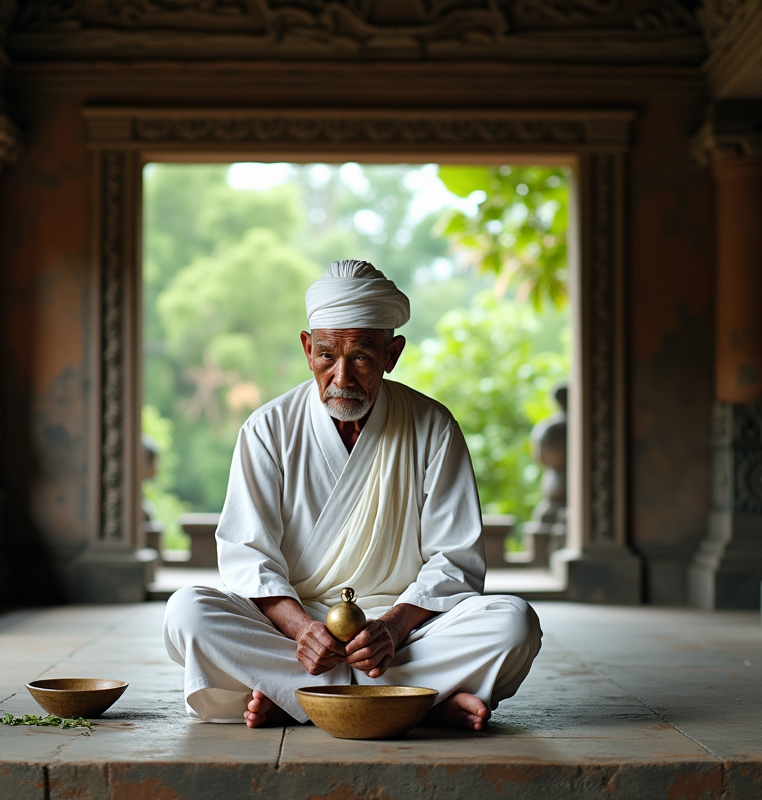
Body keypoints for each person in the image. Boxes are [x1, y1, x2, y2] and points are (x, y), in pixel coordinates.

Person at [163, 259, 542, 730]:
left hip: (401, 634)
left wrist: (394, 628)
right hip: (295, 636)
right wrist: (302, 629)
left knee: (513, 623)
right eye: (327, 355)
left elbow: (455, 559)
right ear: (307, 349)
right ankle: (416, 704)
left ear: (392, 353)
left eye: (361, 356)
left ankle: (297, 700)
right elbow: (246, 557)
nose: (341, 377)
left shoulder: (432, 426)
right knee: (188, 612)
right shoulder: (268, 429)